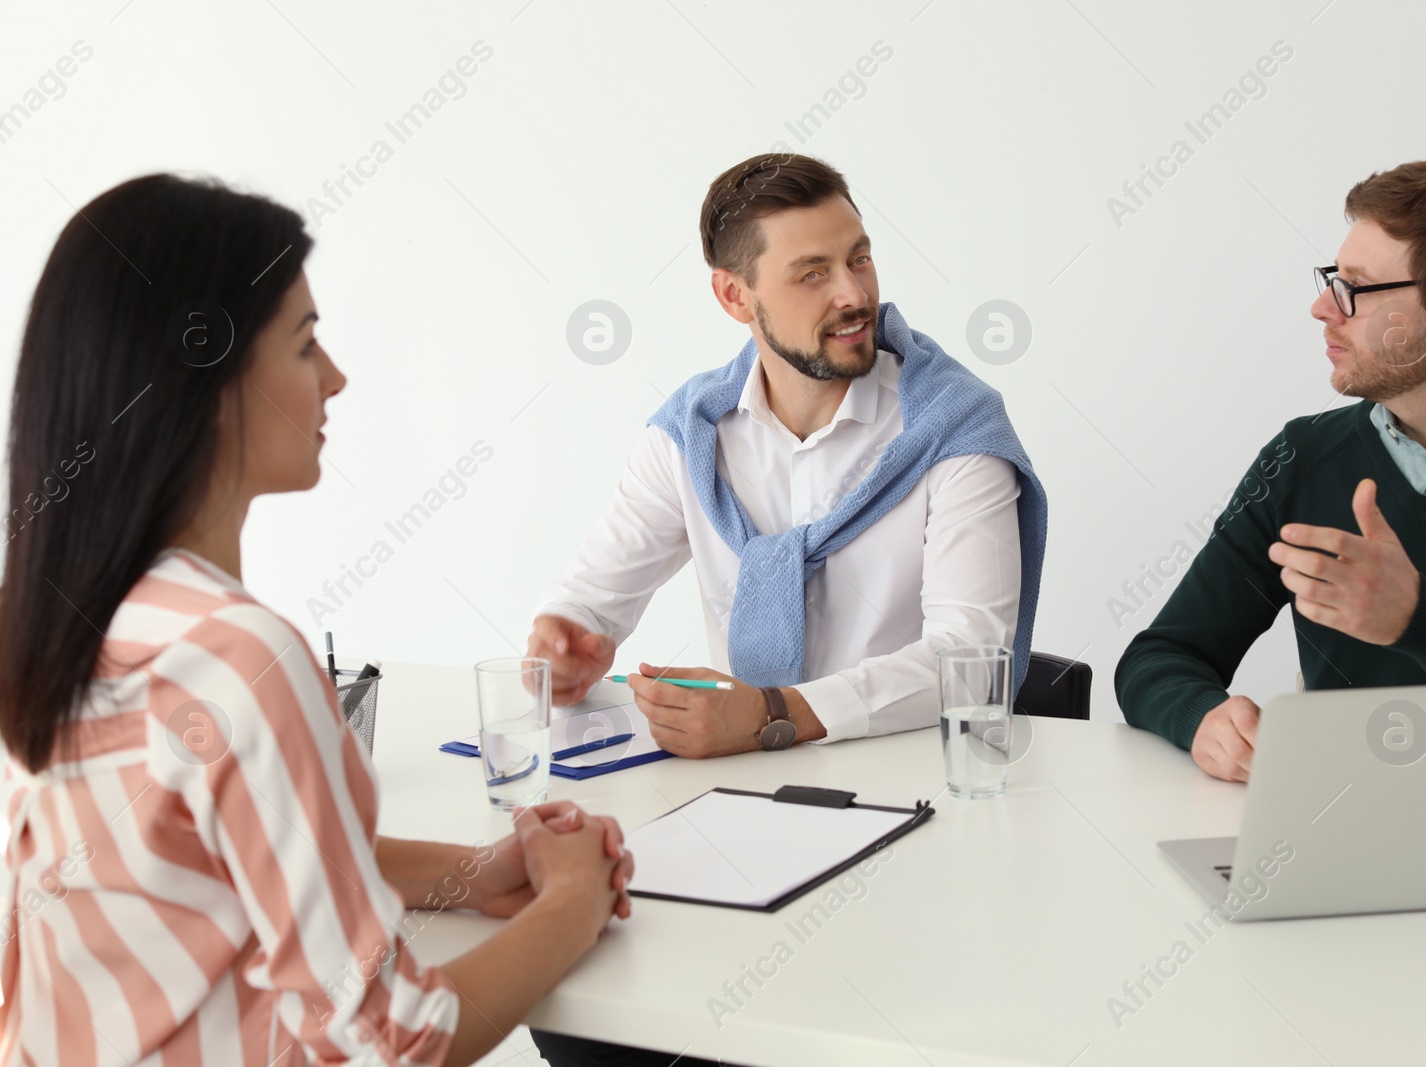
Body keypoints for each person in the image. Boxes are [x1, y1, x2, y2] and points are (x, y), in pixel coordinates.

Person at [0, 174, 635, 1065]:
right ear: (204, 383)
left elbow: (222, 858)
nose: (334, 378)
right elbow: (398, 1041)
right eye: (305, 346)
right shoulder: (237, 660)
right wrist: (573, 902)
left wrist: (474, 871)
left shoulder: (77, 624)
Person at [528, 152, 1048, 759]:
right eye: (812, 274)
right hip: (736, 785)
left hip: (914, 781)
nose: (854, 295)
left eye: (859, 258)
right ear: (734, 296)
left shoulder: (957, 429)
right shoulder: (691, 435)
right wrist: (562, 641)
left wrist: (773, 715)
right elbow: (590, 598)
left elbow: (971, 660)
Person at [1115, 155, 1426, 782]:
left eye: (1356, 288)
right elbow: (1161, 657)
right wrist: (1201, 716)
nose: (1323, 308)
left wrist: (1417, 618)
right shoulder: (1301, 458)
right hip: (1333, 828)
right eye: (1329, 279)